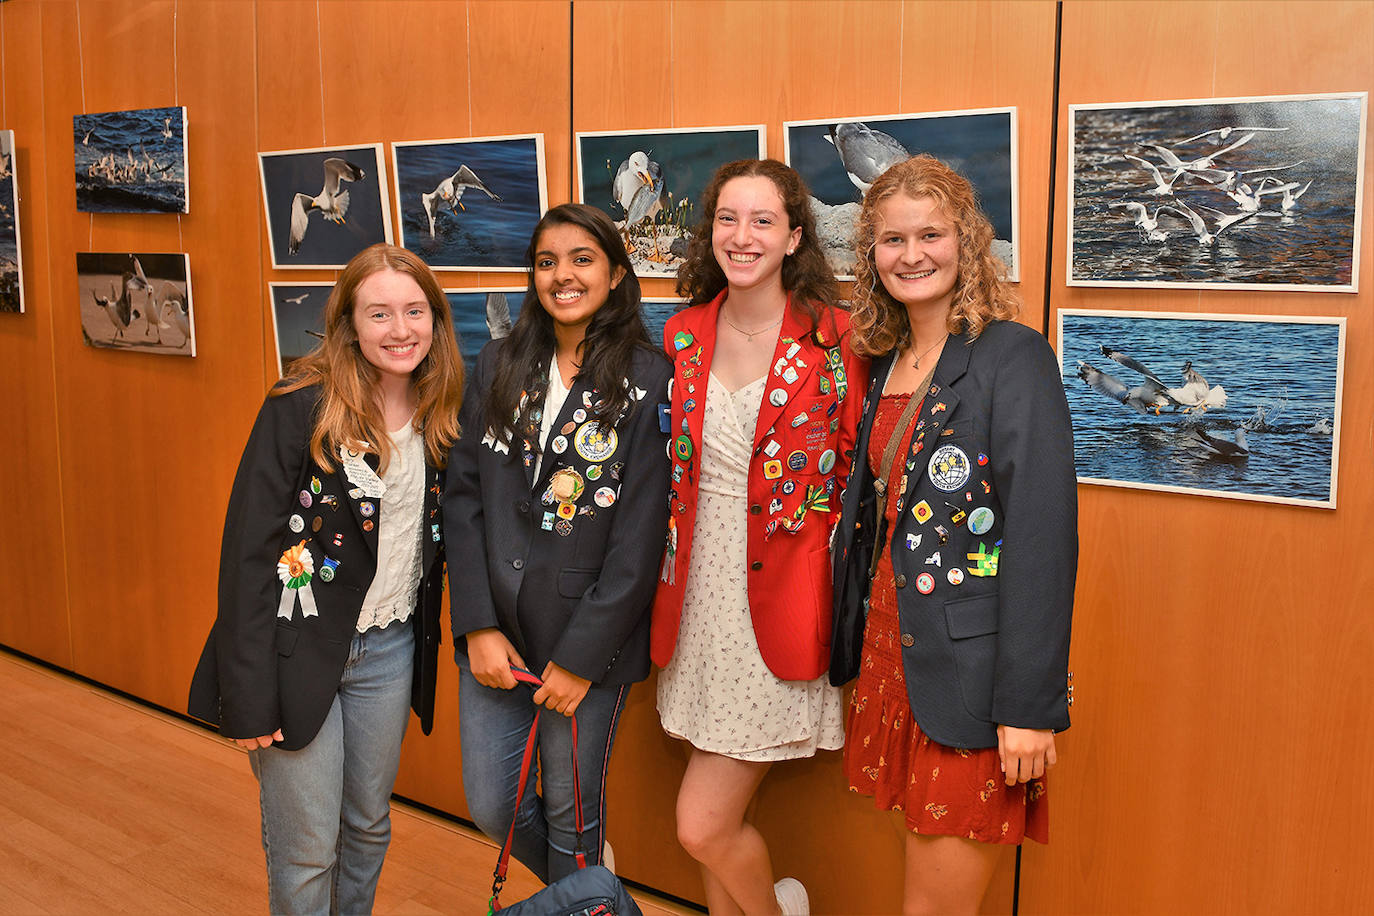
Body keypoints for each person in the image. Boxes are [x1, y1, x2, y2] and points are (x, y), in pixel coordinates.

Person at [829, 155, 1076, 915]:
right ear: (870, 254)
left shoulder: (1014, 357)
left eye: (930, 234)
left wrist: (1030, 705)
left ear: (967, 242)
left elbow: (1043, 538)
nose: (912, 255)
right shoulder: (889, 357)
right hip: (898, 654)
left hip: (975, 677)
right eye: (892, 240)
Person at [188, 243, 464, 913]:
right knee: (309, 846)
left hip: (390, 649)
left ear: (436, 320)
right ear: (348, 323)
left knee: (368, 829)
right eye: (379, 314)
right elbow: (247, 556)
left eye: (414, 311)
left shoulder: (445, 410)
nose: (400, 331)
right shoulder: (300, 404)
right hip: (294, 649)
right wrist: (246, 694)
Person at [652, 159, 868, 915]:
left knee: (701, 826)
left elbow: (856, 478)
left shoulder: (835, 340)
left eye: (762, 221)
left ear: (794, 236)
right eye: (726, 219)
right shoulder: (681, 335)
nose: (741, 237)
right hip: (693, 600)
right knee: (718, 826)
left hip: (780, 599)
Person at [444, 203, 671, 885]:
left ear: (615, 274)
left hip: (586, 644)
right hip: (497, 639)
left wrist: (579, 660)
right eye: (546, 262)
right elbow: (463, 498)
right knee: (491, 805)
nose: (562, 276)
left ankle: (581, 890)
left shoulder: (649, 378)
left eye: (581, 260)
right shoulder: (499, 362)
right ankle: (588, 895)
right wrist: (477, 623)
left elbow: (640, 538)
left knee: (575, 819)